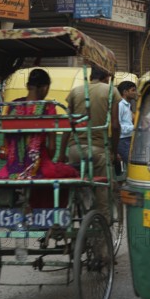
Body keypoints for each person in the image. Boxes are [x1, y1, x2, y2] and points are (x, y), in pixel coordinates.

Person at [0, 69, 77, 180]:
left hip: (10, 170)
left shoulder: (12, 106)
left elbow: (6, 144)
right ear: (45, 88)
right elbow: (52, 148)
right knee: (71, 171)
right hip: (39, 169)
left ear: (28, 86)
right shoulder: (48, 108)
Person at [59, 65, 121, 211]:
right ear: (107, 77)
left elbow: (67, 125)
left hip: (75, 149)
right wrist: (113, 151)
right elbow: (116, 125)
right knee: (102, 192)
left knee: (75, 186)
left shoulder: (75, 92)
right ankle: (102, 226)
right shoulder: (111, 90)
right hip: (98, 151)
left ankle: (72, 212)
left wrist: (62, 153)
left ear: (90, 76)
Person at [117, 81, 137, 163]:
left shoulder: (127, 105)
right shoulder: (120, 105)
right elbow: (118, 126)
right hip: (123, 140)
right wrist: (134, 127)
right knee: (131, 163)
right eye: (133, 90)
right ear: (125, 92)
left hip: (128, 139)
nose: (135, 93)